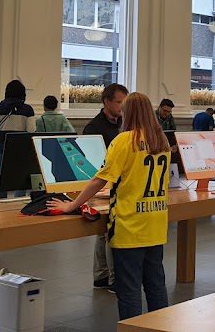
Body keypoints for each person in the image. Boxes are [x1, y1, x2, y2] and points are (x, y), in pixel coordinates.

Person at [47, 92, 170, 320]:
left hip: (130, 224)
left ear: (128, 112)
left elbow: (99, 180)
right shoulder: (161, 141)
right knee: (156, 285)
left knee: (129, 289)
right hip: (156, 223)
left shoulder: (124, 141)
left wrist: (73, 205)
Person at [84, 82, 129, 291]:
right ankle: (109, 277)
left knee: (105, 229)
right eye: (119, 102)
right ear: (106, 102)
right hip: (102, 183)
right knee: (107, 230)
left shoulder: (123, 125)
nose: (122, 107)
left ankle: (102, 275)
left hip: (117, 183)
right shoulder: (94, 128)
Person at [0, 80, 36, 198]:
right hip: (21, 149)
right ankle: (18, 203)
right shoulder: (28, 110)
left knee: (1, 179)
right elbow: (31, 130)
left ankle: (0, 203)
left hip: (1, 148)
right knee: (20, 178)